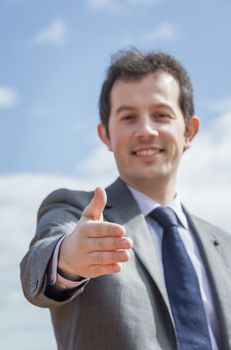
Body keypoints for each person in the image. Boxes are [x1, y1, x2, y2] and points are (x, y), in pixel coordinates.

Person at [20, 49, 231, 350]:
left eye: (161, 115)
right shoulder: (77, 212)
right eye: (129, 117)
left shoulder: (225, 246)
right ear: (105, 135)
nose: (145, 130)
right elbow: (37, 265)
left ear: (189, 131)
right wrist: (67, 258)